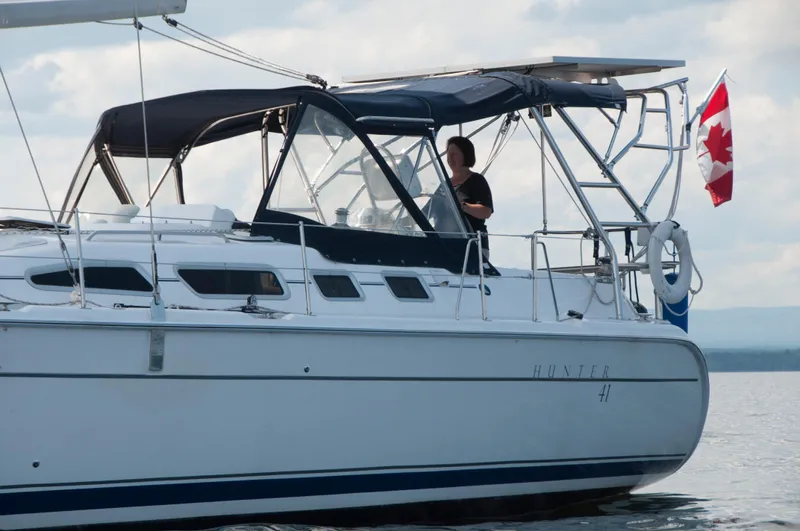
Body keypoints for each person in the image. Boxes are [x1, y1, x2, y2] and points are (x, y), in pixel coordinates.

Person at [445, 136, 494, 260]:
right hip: (445, 245)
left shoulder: (477, 181)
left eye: (454, 154)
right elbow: (427, 211)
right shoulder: (444, 184)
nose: (450, 158)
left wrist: (463, 207)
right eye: (448, 154)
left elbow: (486, 211)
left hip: (471, 246)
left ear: (465, 155)